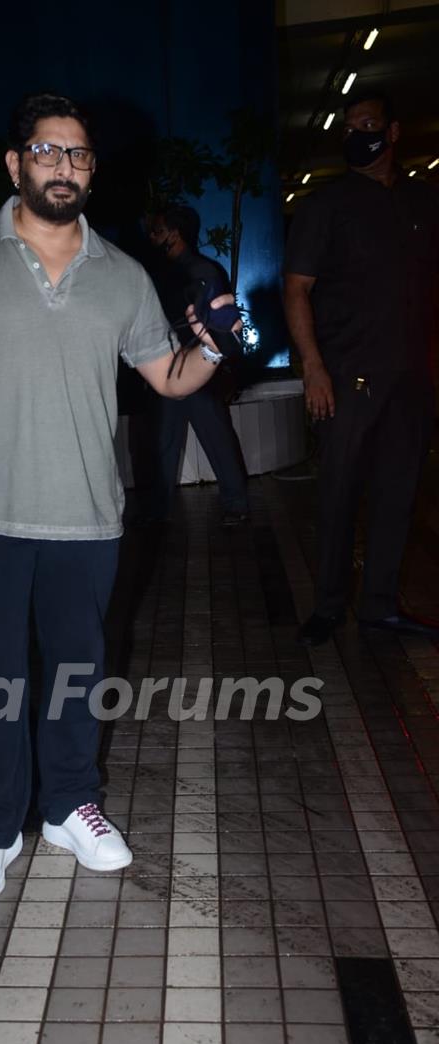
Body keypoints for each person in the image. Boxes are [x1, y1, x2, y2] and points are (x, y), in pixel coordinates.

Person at [0, 93, 239, 904]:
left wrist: (213, 344)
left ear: (92, 170)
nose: (62, 167)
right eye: (45, 152)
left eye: (76, 155)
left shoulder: (123, 276)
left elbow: (168, 377)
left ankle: (72, 806)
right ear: (16, 164)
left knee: (77, 673)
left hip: (84, 513)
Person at [284, 90, 439, 647]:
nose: (357, 135)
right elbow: (297, 291)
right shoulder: (326, 207)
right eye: (349, 128)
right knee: (339, 492)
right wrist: (313, 368)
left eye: (369, 125)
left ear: (393, 133)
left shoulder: (424, 203)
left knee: (398, 492)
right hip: (348, 377)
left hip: (410, 380)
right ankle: (328, 605)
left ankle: (378, 605)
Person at [143, 205, 249, 527]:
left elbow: (220, 327)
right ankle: (159, 512)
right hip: (169, 369)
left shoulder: (201, 271)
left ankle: (235, 504)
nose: (152, 236)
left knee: (214, 438)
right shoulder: (167, 273)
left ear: (174, 234)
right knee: (165, 444)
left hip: (198, 370)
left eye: (158, 231)